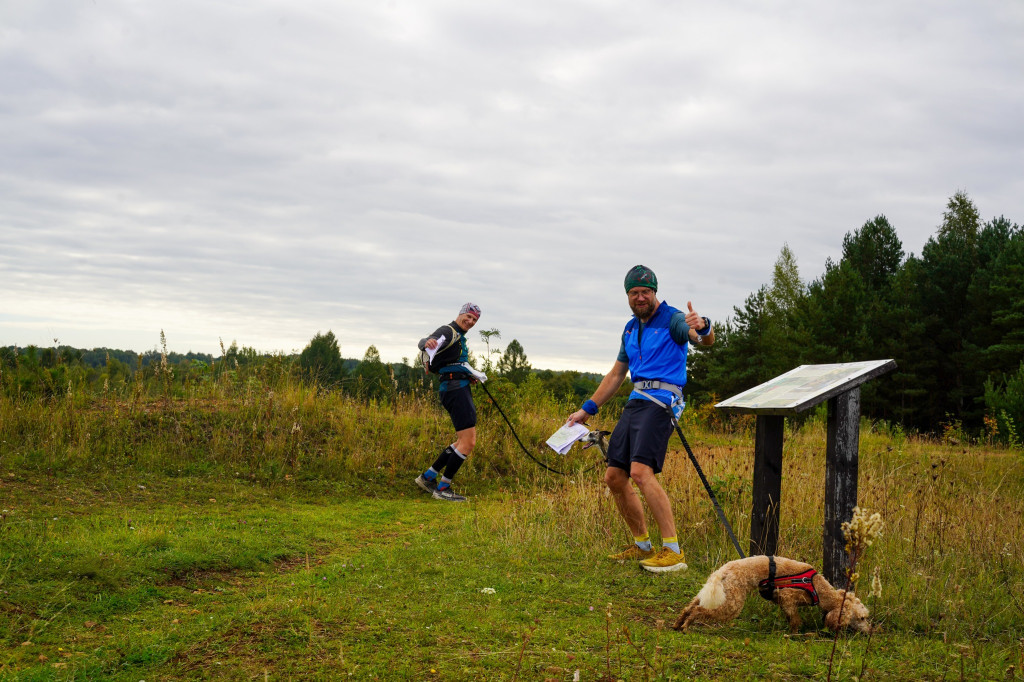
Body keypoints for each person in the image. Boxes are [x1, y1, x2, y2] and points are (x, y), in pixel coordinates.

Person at [567, 265, 714, 573]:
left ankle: (672, 550)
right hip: (636, 401)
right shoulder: (630, 329)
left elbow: (701, 340)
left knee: (640, 472)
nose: (640, 297)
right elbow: (617, 374)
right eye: (634, 292)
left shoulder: (672, 319)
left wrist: (702, 327)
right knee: (614, 476)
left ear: (654, 292)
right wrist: (586, 410)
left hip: (662, 402)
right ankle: (642, 545)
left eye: (646, 292)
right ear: (628, 296)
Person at [414, 302, 483, 502]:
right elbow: (426, 340)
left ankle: (427, 478)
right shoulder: (449, 330)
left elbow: (449, 363)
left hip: (454, 387)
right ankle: (443, 488)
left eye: (474, 320)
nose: (470, 321)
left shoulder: (459, 336)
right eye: (468, 317)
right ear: (460, 314)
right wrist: (426, 343)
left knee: (461, 442)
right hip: (455, 391)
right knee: (468, 442)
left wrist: (468, 374)